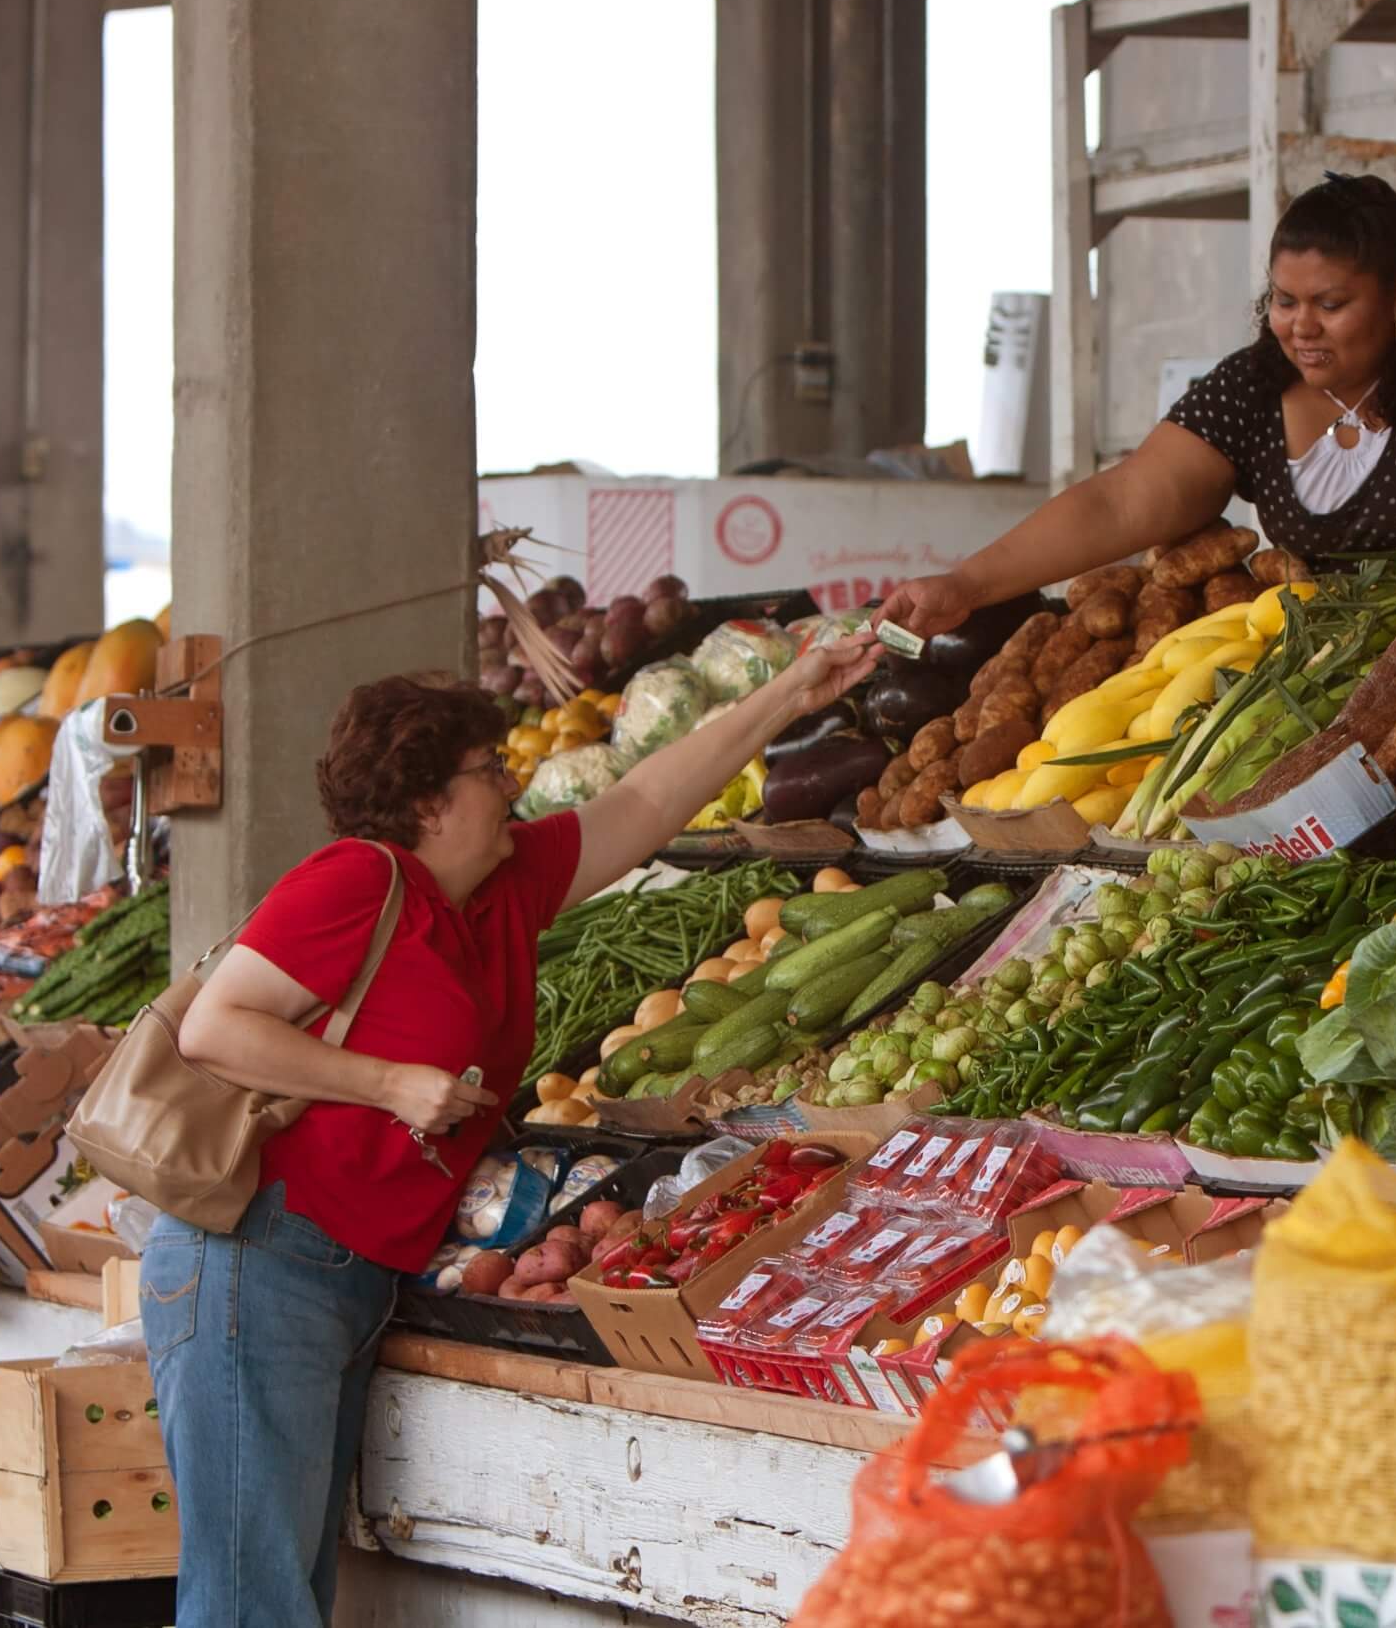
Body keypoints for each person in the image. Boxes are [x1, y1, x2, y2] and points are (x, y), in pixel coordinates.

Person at [137, 633, 875, 1628]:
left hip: (349, 1271)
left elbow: (650, 801)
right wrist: (387, 1081)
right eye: (490, 771)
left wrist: (792, 693)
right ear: (426, 799)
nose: (512, 784)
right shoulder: (355, 883)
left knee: (287, 1587)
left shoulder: (500, 887)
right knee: (247, 1601)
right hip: (257, 1263)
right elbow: (215, 1026)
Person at [879, 172, 1396, 641]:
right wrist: (965, 584)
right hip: (1327, 677)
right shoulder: (1255, 387)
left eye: (1331, 304)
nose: (1301, 326)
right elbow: (1121, 502)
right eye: (1285, 300)